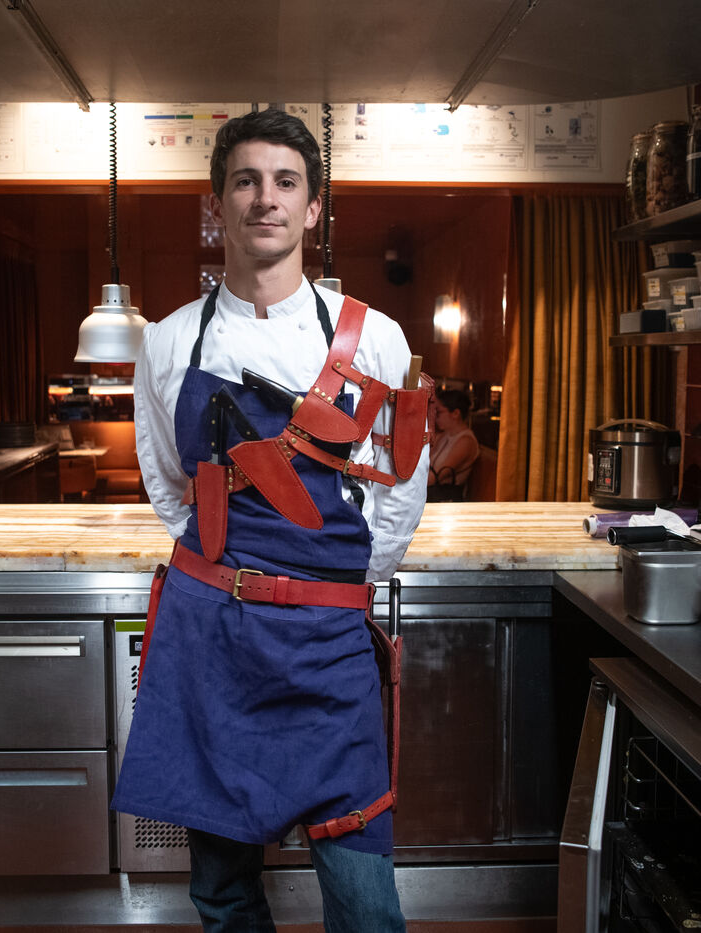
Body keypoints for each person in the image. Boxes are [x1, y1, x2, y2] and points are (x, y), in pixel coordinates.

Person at [112, 108, 428, 933]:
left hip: (329, 648)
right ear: (218, 201)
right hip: (213, 640)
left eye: (286, 182)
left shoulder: (375, 339)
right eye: (246, 181)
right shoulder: (170, 341)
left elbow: (401, 488)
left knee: (365, 905)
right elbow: (169, 482)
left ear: (313, 207)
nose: (266, 198)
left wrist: (334, 583)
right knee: (222, 894)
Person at [427, 389, 478, 501]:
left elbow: (435, 478)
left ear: (455, 414)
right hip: (433, 494)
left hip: (446, 499)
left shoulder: (465, 441)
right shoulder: (443, 435)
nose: (435, 417)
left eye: (438, 412)